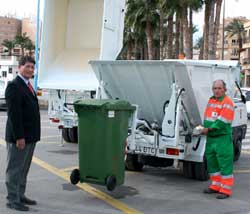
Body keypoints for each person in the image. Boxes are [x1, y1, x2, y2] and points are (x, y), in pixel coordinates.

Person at [5, 56, 40, 211]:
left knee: (23, 169)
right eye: (27, 66)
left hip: (30, 137)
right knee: (14, 169)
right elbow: (14, 115)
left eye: (32, 67)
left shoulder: (28, 85)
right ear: (19, 67)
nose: (30, 70)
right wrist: (19, 137)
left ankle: (20, 194)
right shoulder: (14, 86)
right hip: (20, 137)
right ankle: (12, 199)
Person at [202, 79, 234, 199]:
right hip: (211, 138)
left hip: (222, 139)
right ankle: (215, 185)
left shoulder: (227, 102)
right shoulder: (211, 100)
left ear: (224, 90)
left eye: (220, 88)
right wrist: (204, 128)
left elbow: (222, 121)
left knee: (224, 164)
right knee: (212, 163)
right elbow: (207, 117)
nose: (217, 90)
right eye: (215, 88)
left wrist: (208, 129)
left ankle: (225, 190)